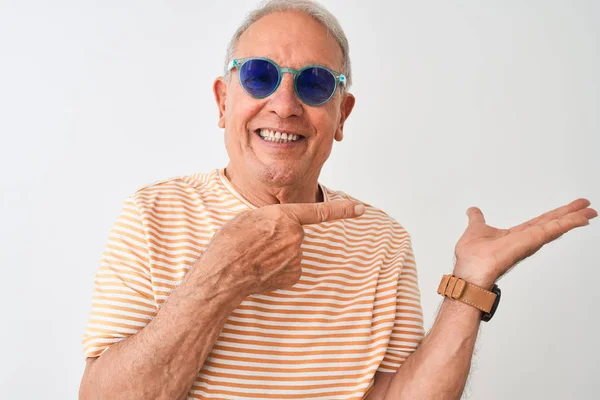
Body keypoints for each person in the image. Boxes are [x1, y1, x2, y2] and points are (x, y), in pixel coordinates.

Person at [78, 1, 597, 399]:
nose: (284, 104)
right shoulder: (152, 215)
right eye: (260, 75)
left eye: (315, 82)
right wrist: (224, 273)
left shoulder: (382, 239)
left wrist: (471, 284)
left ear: (342, 114)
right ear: (222, 100)